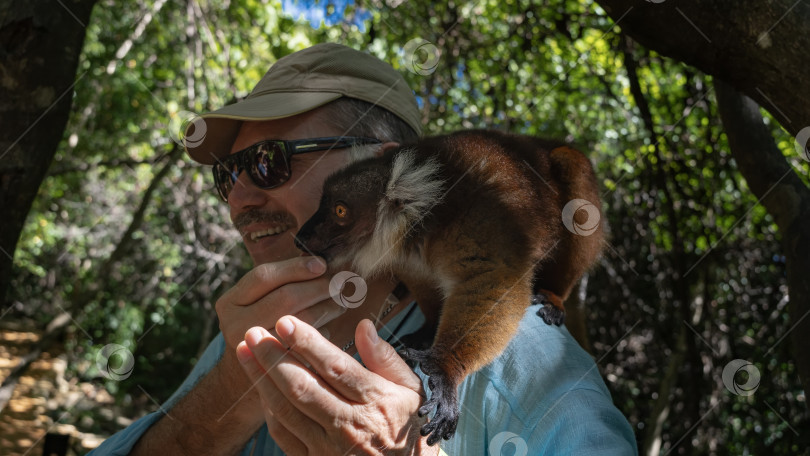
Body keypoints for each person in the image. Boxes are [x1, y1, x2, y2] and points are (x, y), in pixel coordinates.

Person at [89, 43, 638, 455]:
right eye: (228, 175)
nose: (239, 198)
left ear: (383, 165)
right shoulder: (259, 327)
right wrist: (233, 391)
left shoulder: (523, 361)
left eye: (269, 163)